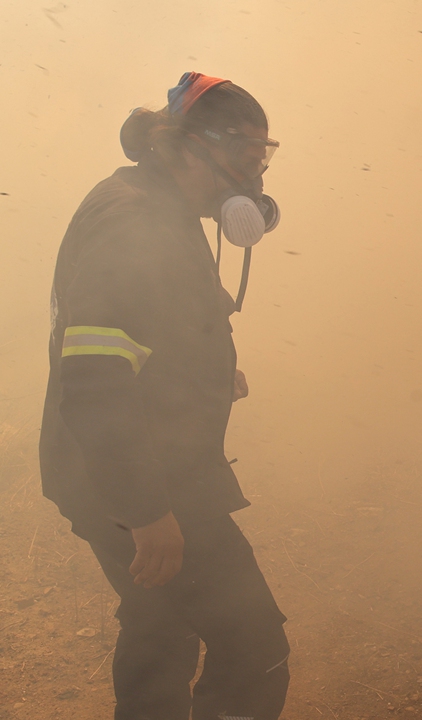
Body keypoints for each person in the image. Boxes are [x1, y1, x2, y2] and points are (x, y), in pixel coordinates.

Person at [39, 72, 289, 720]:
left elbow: (145, 335)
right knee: (253, 647)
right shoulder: (132, 221)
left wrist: (202, 373)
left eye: (260, 160)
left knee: (160, 631)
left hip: (116, 472)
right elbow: (95, 377)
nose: (253, 181)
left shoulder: (165, 211)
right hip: (138, 482)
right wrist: (146, 511)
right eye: (242, 157)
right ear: (185, 146)